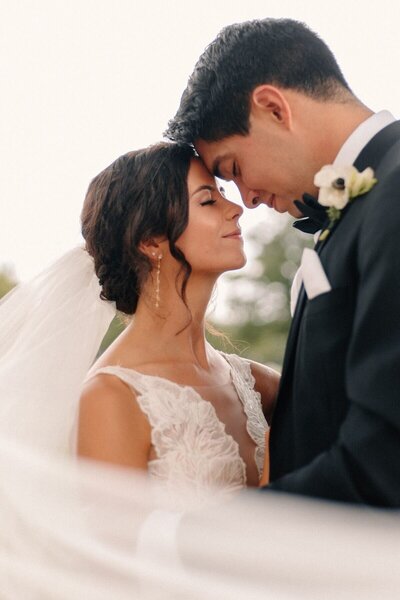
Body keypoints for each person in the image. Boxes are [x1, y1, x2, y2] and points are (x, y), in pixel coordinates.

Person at [165, 18, 400, 506]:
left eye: (233, 168)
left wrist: (186, 539)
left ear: (273, 108)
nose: (246, 199)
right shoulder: (360, 206)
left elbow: (385, 459)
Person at [77, 142, 279, 502]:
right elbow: (112, 554)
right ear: (151, 241)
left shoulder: (254, 384)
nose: (236, 209)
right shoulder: (112, 396)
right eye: (208, 201)